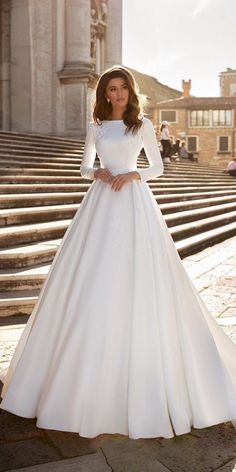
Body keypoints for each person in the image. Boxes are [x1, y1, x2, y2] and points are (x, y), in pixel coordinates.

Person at [1, 65, 236, 440]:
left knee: (139, 275)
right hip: (100, 202)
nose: (118, 93)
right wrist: (98, 174)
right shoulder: (95, 127)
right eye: (111, 89)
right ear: (104, 94)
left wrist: (132, 174)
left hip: (134, 202)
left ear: (130, 90)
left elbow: (157, 167)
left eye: (123, 87)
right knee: (90, 277)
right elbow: (83, 166)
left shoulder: (140, 125)